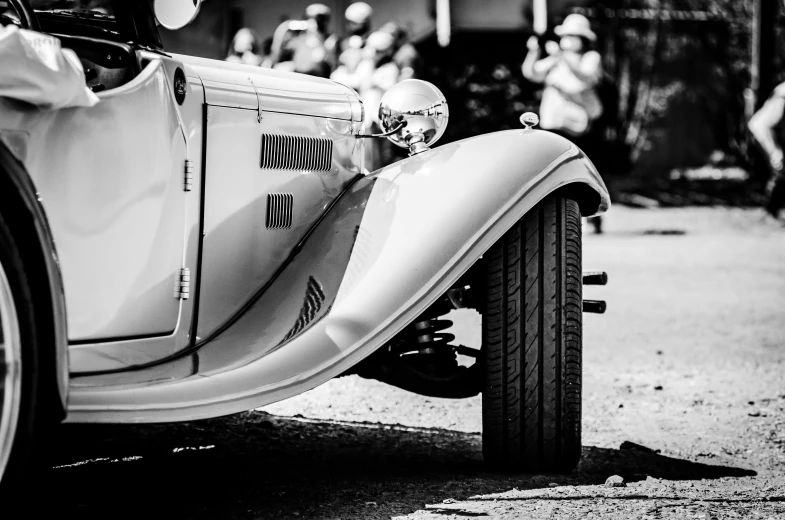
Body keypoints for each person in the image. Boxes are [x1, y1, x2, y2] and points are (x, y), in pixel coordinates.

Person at [522, 13, 605, 233]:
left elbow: (583, 81)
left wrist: (563, 57)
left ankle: (592, 218)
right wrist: (534, 50)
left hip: (579, 124)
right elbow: (531, 74)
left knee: (584, 171)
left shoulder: (591, 57)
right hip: (554, 123)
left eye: (572, 36)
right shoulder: (556, 59)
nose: (567, 40)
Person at [749, 81, 785, 219]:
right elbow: (768, 125)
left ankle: (772, 212)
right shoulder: (783, 94)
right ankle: (771, 212)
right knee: (780, 169)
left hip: (771, 133)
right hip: (762, 131)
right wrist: (775, 150)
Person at [275, 4, 336, 78]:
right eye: (308, 18)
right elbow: (279, 56)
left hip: (320, 80)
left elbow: (327, 64)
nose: (312, 22)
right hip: (298, 79)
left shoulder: (331, 40)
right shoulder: (298, 40)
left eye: (318, 19)